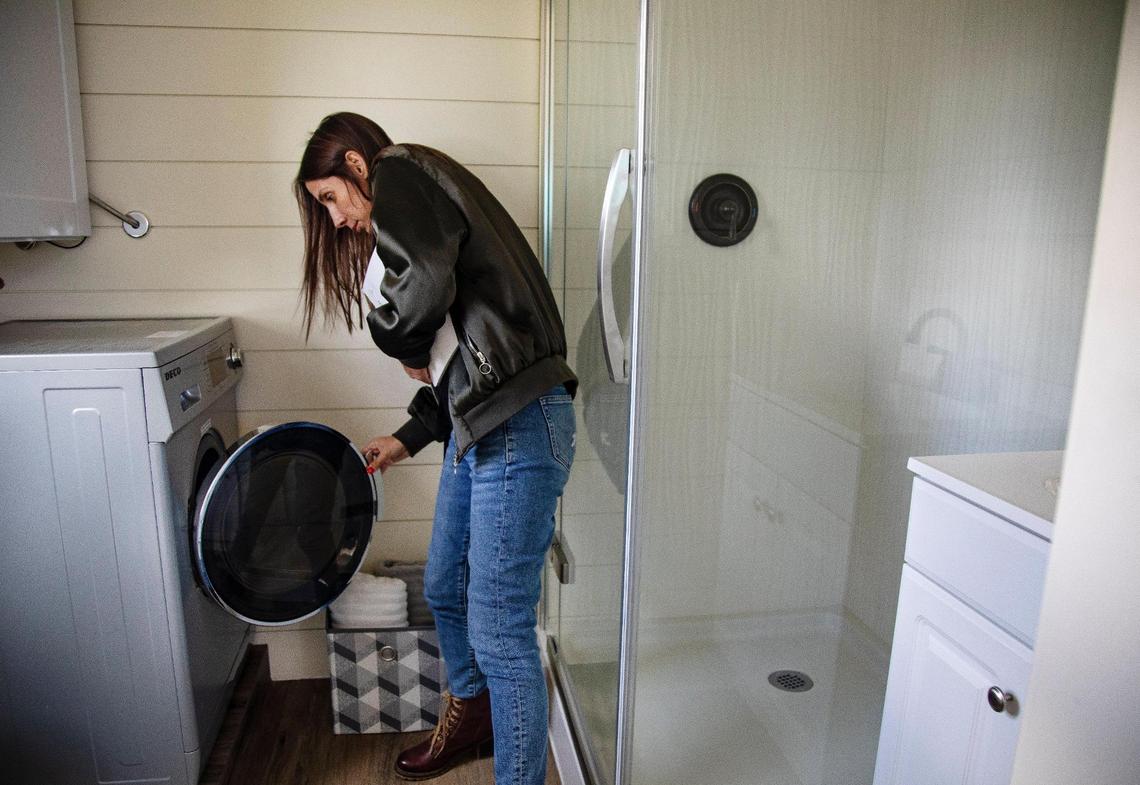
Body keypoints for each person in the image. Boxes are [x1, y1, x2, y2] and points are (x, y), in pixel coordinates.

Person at [294, 112, 576, 785]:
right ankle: (475, 712)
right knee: (447, 583)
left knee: (501, 628)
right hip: (483, 425)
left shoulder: (398, 169)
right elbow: (464, 365)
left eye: (331, 197)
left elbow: (422, 285)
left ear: (357, 167)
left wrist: (400, 340)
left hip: (517, 422)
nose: (334, 219)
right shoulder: (419, 203)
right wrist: (406, 436)